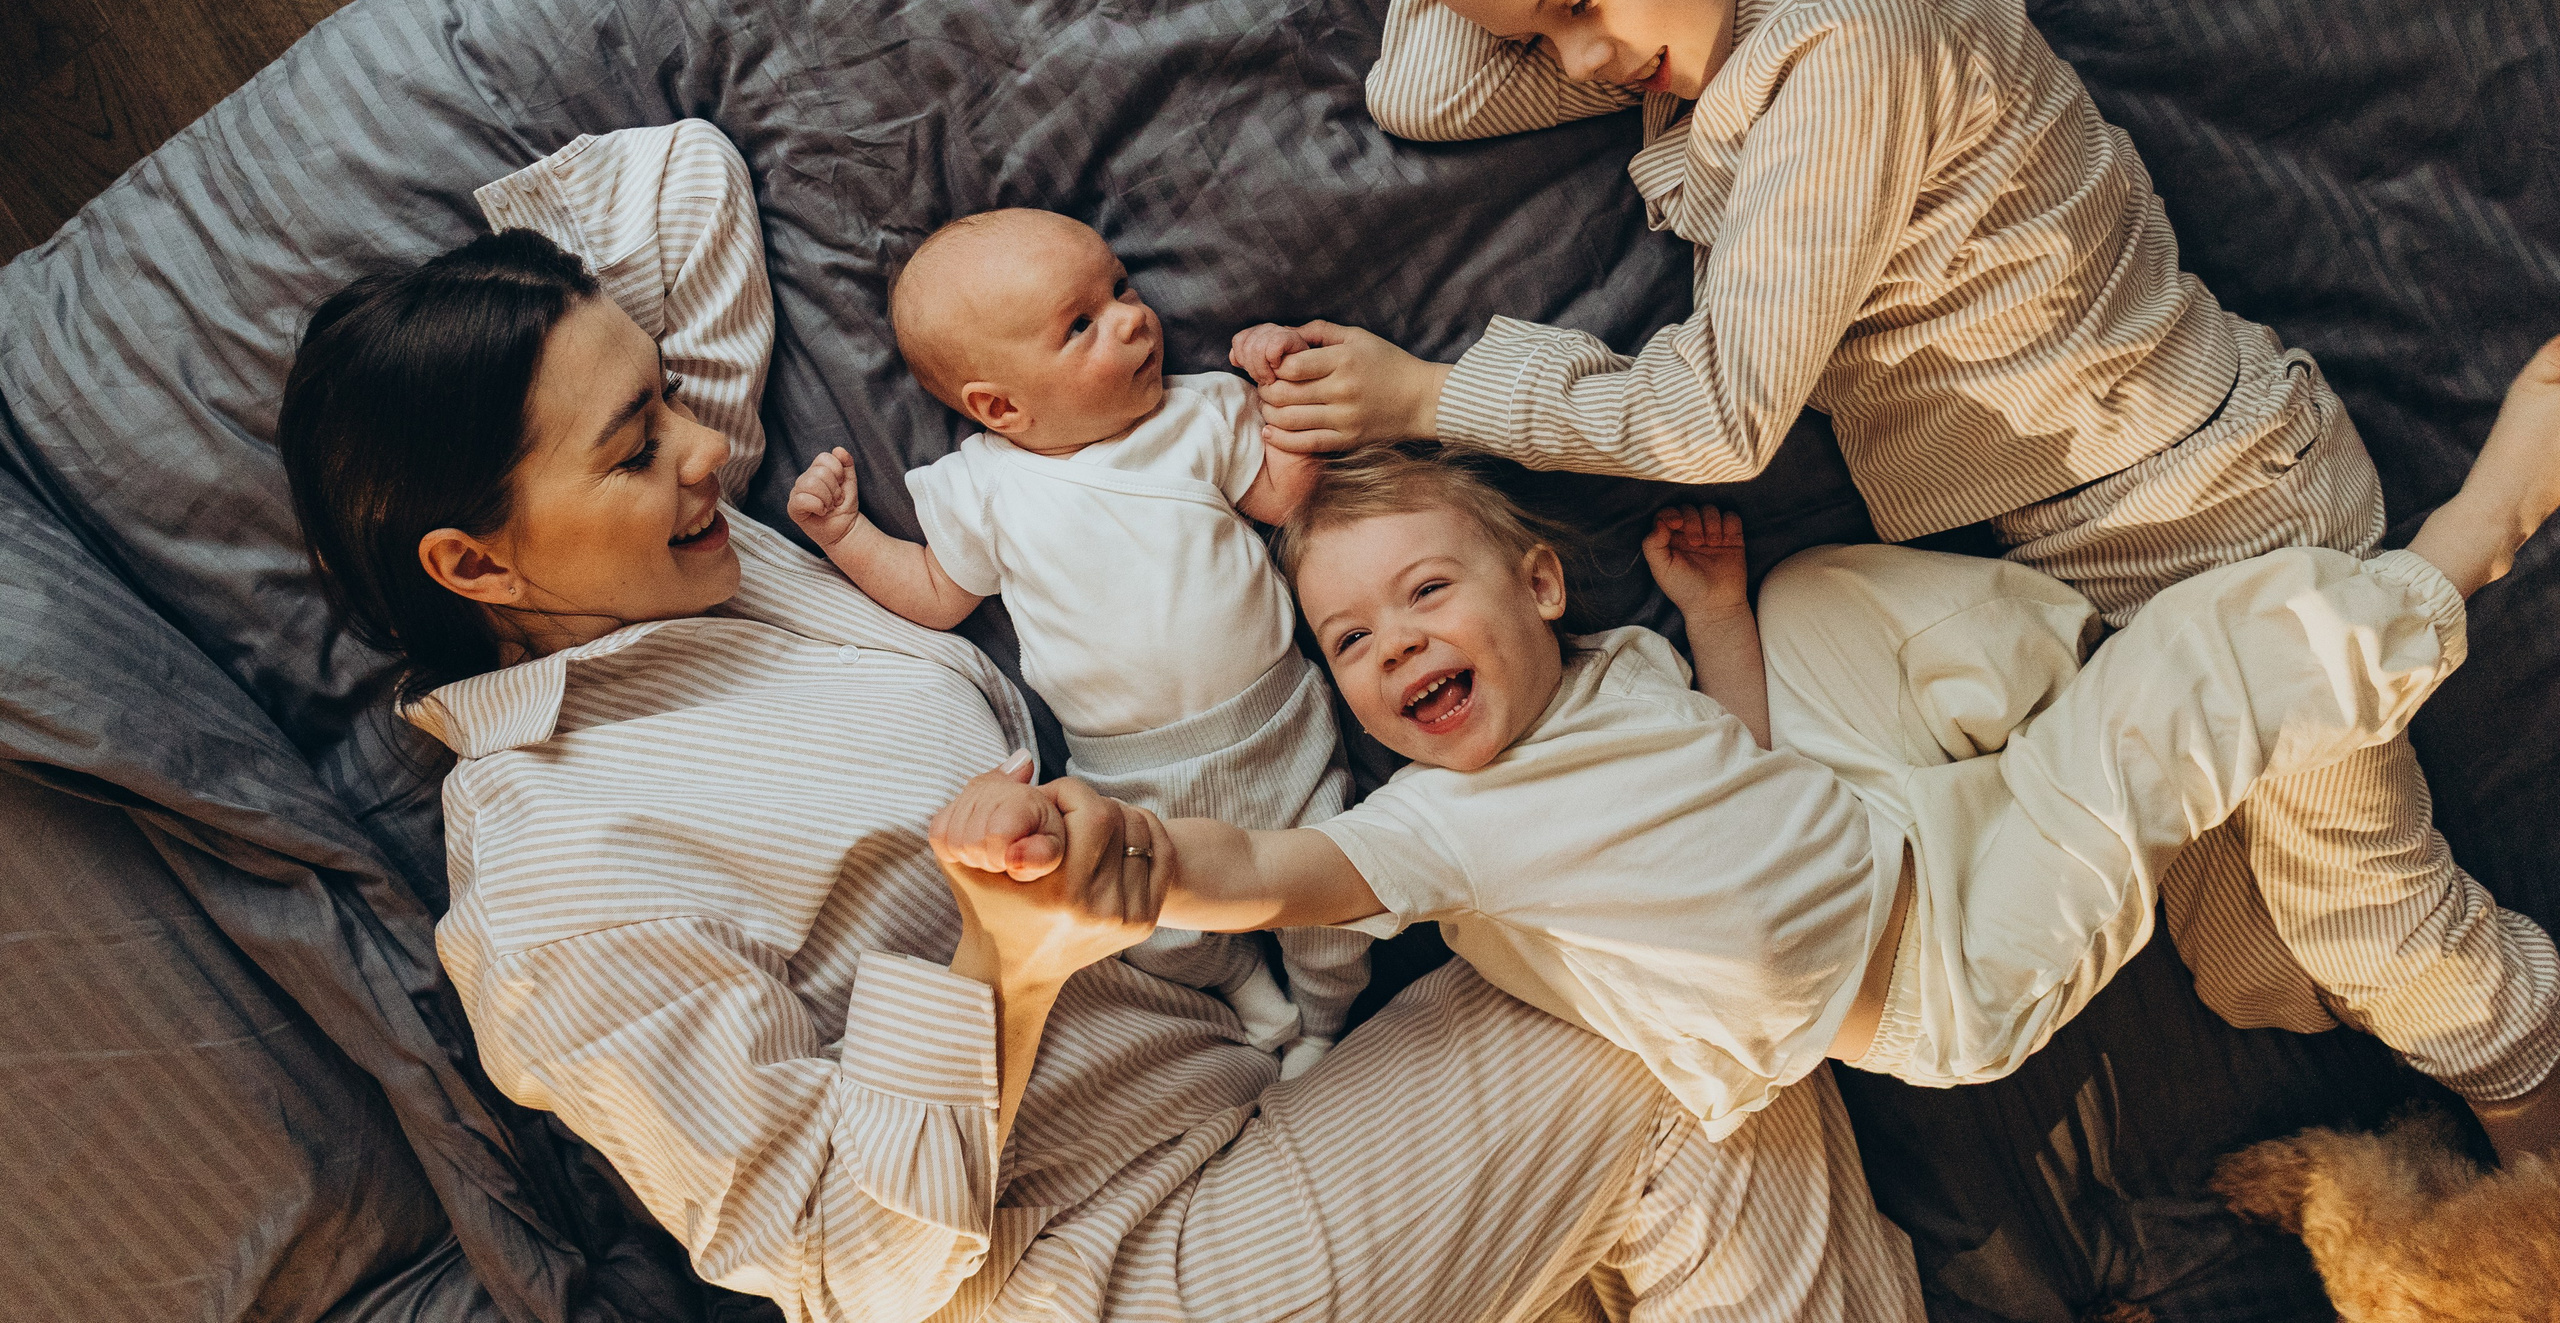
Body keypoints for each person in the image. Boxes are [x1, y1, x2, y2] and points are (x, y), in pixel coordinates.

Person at [272, 120, 1924, 1323]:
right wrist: (1001, 968)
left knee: (1672, 1136)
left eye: (670, 400)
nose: (709, 448)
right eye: (638, 445)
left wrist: (513, 283)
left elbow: (672, 186)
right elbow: (841, 1258)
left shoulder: (700, 561)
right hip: (1105, 1274)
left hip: (1255, 1114)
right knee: (1674, 998)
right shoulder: (557, 886)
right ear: (474, 561)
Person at [1228, 0, 2560, 1155]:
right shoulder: (1688, 5)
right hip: (2083, 554)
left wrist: (1435, 395)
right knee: (2253, 973)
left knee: (2370, 917)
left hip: (2216, 498)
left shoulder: (1853, 41)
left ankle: (2534, 1111)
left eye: (1581, 1)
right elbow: (1416, 86)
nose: (1588, 60)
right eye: (1549, 26)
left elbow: (1722, 412)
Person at [942, 361, 2560, 1150]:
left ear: (1542, 586)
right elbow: (1263, 867)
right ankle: (2458, 553)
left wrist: (1715, 612)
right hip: (1944, 963)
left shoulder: (1623, 672)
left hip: (1896, 812)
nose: (1393, 649)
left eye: (1422, 594)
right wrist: (1121, 849)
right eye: (1352, 642)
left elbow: (1736, 766)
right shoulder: (1442, 826)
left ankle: (2170, 806)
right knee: (2214, 656)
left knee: (1811, 591)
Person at [783, 207, 1362, 1077]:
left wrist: (1284, 396)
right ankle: (1245, 984)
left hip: (1278, 730)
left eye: (1121, 288)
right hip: (1128, 773)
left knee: (1331, 894)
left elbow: (1282, 496)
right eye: (1081, 324)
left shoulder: (1196, 414)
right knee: (1151, 923)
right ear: (1000, 405)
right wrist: (847, 536)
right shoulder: (985, 487)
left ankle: (1327, 1017)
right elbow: (940, 593)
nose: (1133, 317)